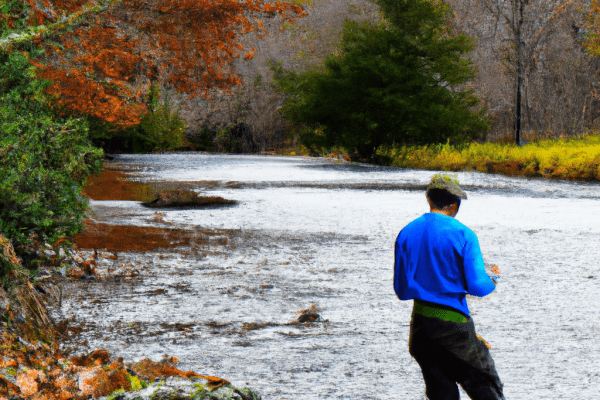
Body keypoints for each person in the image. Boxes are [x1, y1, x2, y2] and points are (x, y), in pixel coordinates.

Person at [394, 174, 505, 400]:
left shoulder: (406, 233)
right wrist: (492, 279)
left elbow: (402, 290)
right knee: (487, 386)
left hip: (421, 330)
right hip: (454, 329)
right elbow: (478, 287)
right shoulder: (464, 234)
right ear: (454, 205)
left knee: (441, 393)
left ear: (430, 201)